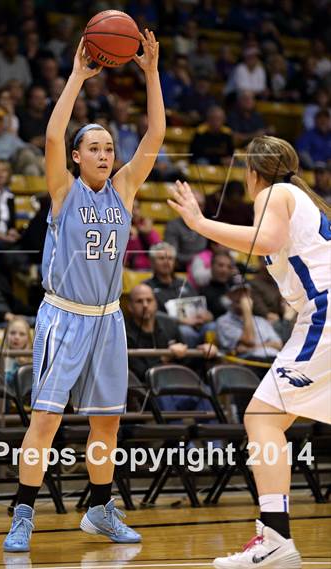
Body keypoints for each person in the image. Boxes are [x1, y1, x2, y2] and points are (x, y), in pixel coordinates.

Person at [3, 30, 165, 552]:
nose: (103, 154)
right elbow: (51, 137)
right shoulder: (63, 191)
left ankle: (99, 510)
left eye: (108, 148)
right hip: (64, 317)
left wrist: (151, 74)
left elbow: (155, 136)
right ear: (76, 158)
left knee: (107, 427)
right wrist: (77, 75)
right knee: (46, 421)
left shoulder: (123, 190)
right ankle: (23, 512)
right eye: (93, 148)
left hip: (108, 320)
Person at [168, 135, 331, 568]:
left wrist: (200, 224)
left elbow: (265, 241)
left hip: (325, 316)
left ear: (253, 172)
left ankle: (276, 539)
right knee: (269, 418)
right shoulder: (302, 196)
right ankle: (274, 536)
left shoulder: (275, 193)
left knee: (262, 417)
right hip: (317, 313)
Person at [216, 278, 283, 360]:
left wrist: (252, 348)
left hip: (274, 360)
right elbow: (250, 340)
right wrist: (247, 311)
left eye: (245, 292)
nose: (242, 296)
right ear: (229, 296)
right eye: (237, 292)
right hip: (250, 364)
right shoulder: (224, 322)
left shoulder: (260, 320)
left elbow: (278, 344)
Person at [124, 199, 161, 270]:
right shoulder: (119, 229)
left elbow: (158, 249)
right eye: (131, 208)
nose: (135, 212)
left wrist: (148, 233)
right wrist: (133, 238)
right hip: (132, 270)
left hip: (150, 268)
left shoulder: (146, 227)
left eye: (137, 208)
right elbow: (126, 259)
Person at [3, 316, 32, 388]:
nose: (16, 337)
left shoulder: (35, 360)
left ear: (28, 338)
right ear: (6, 335)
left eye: (22, 334)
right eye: (12, 333)